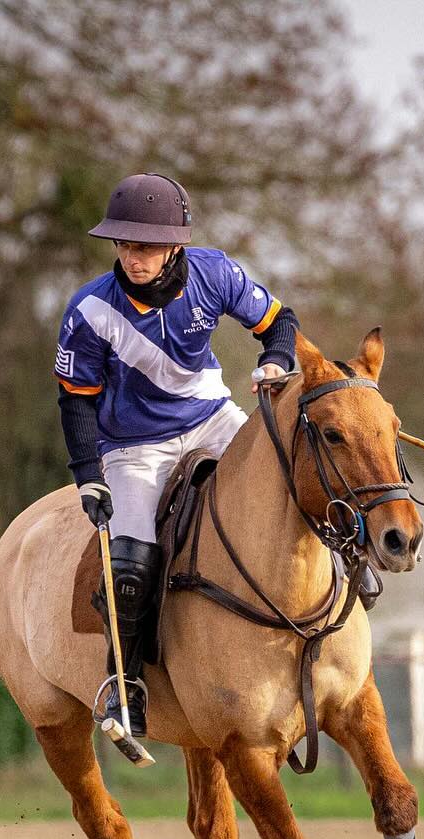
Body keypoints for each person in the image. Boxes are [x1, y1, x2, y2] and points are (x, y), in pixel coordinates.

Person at [55, 173, 298, 737]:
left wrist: (277, 360)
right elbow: (75, 401)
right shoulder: (89, 311)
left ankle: (347, 585)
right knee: (133, 562)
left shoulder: (213, 273)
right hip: (134, 446)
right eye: (122, 244)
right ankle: (125, 683)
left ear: (175, 247)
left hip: (212, 419)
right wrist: (88, 475)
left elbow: (278, 321)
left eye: (144, 246)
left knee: (289, 478)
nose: (131, 257)